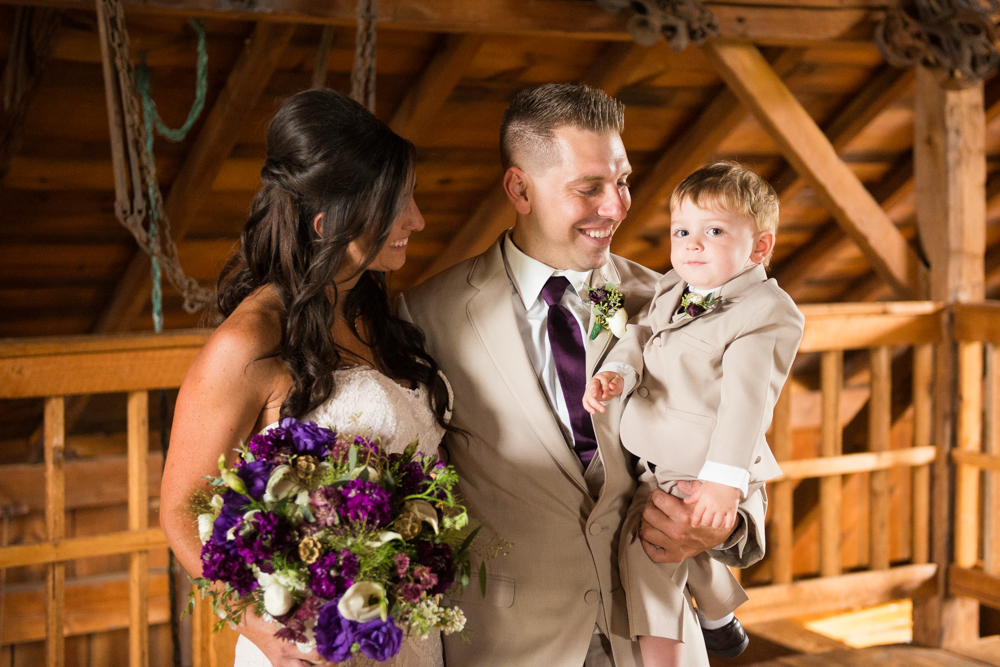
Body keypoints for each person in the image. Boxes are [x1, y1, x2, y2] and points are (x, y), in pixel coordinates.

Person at [398, 85, 768, 667]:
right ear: (519, 188)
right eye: (588, 188)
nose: (617, 206)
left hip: (656, 637)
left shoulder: (671, 300)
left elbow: (738, 447)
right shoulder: (428, 315)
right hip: (509, 642)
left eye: (621, 180)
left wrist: (719, 528)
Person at [159, 88, 452, 667]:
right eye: (399, 204)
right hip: (310, 645)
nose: (417, 220)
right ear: (329, 224)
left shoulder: (374, 311)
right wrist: (266, 632)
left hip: (407, 635)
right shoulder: (246, 344)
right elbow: (180, 513)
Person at [583, 162, 805, 666]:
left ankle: (669, 656)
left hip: (704, 460)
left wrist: (723, 482)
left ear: (760, 247)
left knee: (648, 551)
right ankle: (721, 620)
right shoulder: (672, 287)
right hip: (660, 457)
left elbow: (746, 404)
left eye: (714, 231)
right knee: (670, 541)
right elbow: (638, 334)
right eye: (682, 231)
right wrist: (618, 372)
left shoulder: (765, 312)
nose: (692, 244)